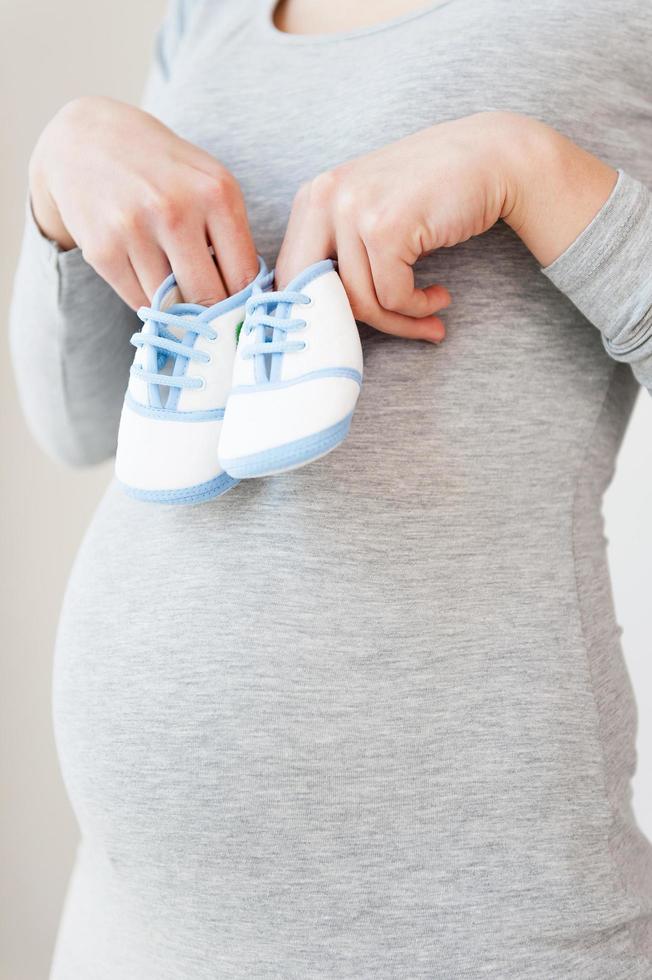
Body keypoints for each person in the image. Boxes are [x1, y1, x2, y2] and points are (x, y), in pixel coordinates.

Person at [9, 0, 652, 976]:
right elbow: (82, 418)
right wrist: (56, 186)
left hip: (468, 927)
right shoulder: (208, 23)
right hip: (133, 923)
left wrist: (529, 168)